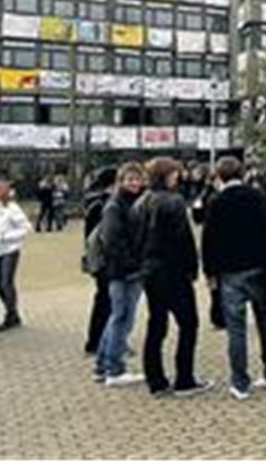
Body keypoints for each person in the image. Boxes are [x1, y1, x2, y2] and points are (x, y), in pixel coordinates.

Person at [201, 157, 266, 401]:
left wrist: (209, 272)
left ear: (218, 175)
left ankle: (240, 383)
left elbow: (209, 239)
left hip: (230, 271)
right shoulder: (258, 197)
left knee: (236, 329)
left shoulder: (216, 202)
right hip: (259, 268)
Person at [140, 157, 211, 397]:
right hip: (173, 271)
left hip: (150, 271)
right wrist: (192, 267)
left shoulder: (143, 202)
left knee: (156, 324)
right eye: (174, 173)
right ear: (167, 175)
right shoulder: (174, 202)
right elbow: (183, 240)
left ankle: (155, 379)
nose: (178, 177)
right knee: (188, 324)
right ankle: (184, 378)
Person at [94, 162, 148, 386]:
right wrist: (132, 265)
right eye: (129, 179)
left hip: (127, 269)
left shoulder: (133, 202)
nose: (134, 183)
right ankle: (115, 369)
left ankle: (102, 364)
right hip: (123, 271)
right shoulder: (115, 206)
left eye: (137, 179)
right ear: (120, 181)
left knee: (117, 317)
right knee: (122, 318)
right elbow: (112, 240)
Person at [0, 180, 31, 333]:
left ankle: (10, 316)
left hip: (9, 249)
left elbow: (26, 228)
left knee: (6, 283)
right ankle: (12, 312)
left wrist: (5, 237)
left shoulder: (12, 208)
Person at [83, 168, 117, 355]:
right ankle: (97, 341)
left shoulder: (95, 202)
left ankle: (99, 340)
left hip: (98, 259)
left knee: (105, 301)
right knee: (107, 302)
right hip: (104, 260)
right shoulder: (103, 205)